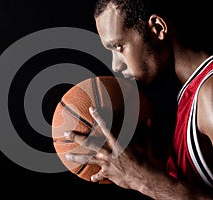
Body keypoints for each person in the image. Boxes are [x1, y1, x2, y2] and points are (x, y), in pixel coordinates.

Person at [63, 0, 213, 199]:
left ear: (158, 28)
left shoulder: (210, 94)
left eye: (118, 46)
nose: (115, 65)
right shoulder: (190, 93)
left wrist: (142, 179)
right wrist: (152, 168)